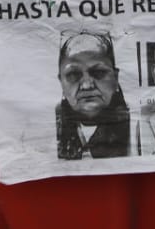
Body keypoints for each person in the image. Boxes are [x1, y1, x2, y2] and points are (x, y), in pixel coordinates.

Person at [55, 31, 131, 160]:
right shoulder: (42, 130)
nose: (87, 85)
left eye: (99, 72)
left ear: (116, 78)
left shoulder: (140, 127)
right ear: (61, 82)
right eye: (73, 74)